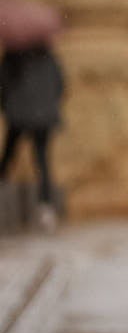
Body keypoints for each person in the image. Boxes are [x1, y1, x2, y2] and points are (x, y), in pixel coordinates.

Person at [0, 42, 65, 231]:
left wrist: (8, 107)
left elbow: (2, 84)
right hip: (44, 115)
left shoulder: (13, 54)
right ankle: (46, 207)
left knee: (8, 155)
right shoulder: (48, 54)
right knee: (42, 160)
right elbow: (60, 83)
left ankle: (3, 189)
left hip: (18, 114)